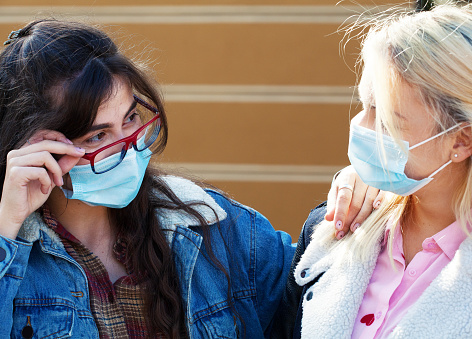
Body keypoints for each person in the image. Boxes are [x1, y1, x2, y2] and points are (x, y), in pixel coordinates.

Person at [0, 19, 380, 338]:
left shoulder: (211, 225)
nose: (130, 148)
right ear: (34, 148)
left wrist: (361, 189)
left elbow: (314, 292)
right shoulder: (11, 247)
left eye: (131, 118)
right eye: (98, 136)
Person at [274, 4, 472, 338]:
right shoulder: (329, 230)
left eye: (386, 119)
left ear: (461, 140)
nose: (363, 126)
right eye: (366, 106)